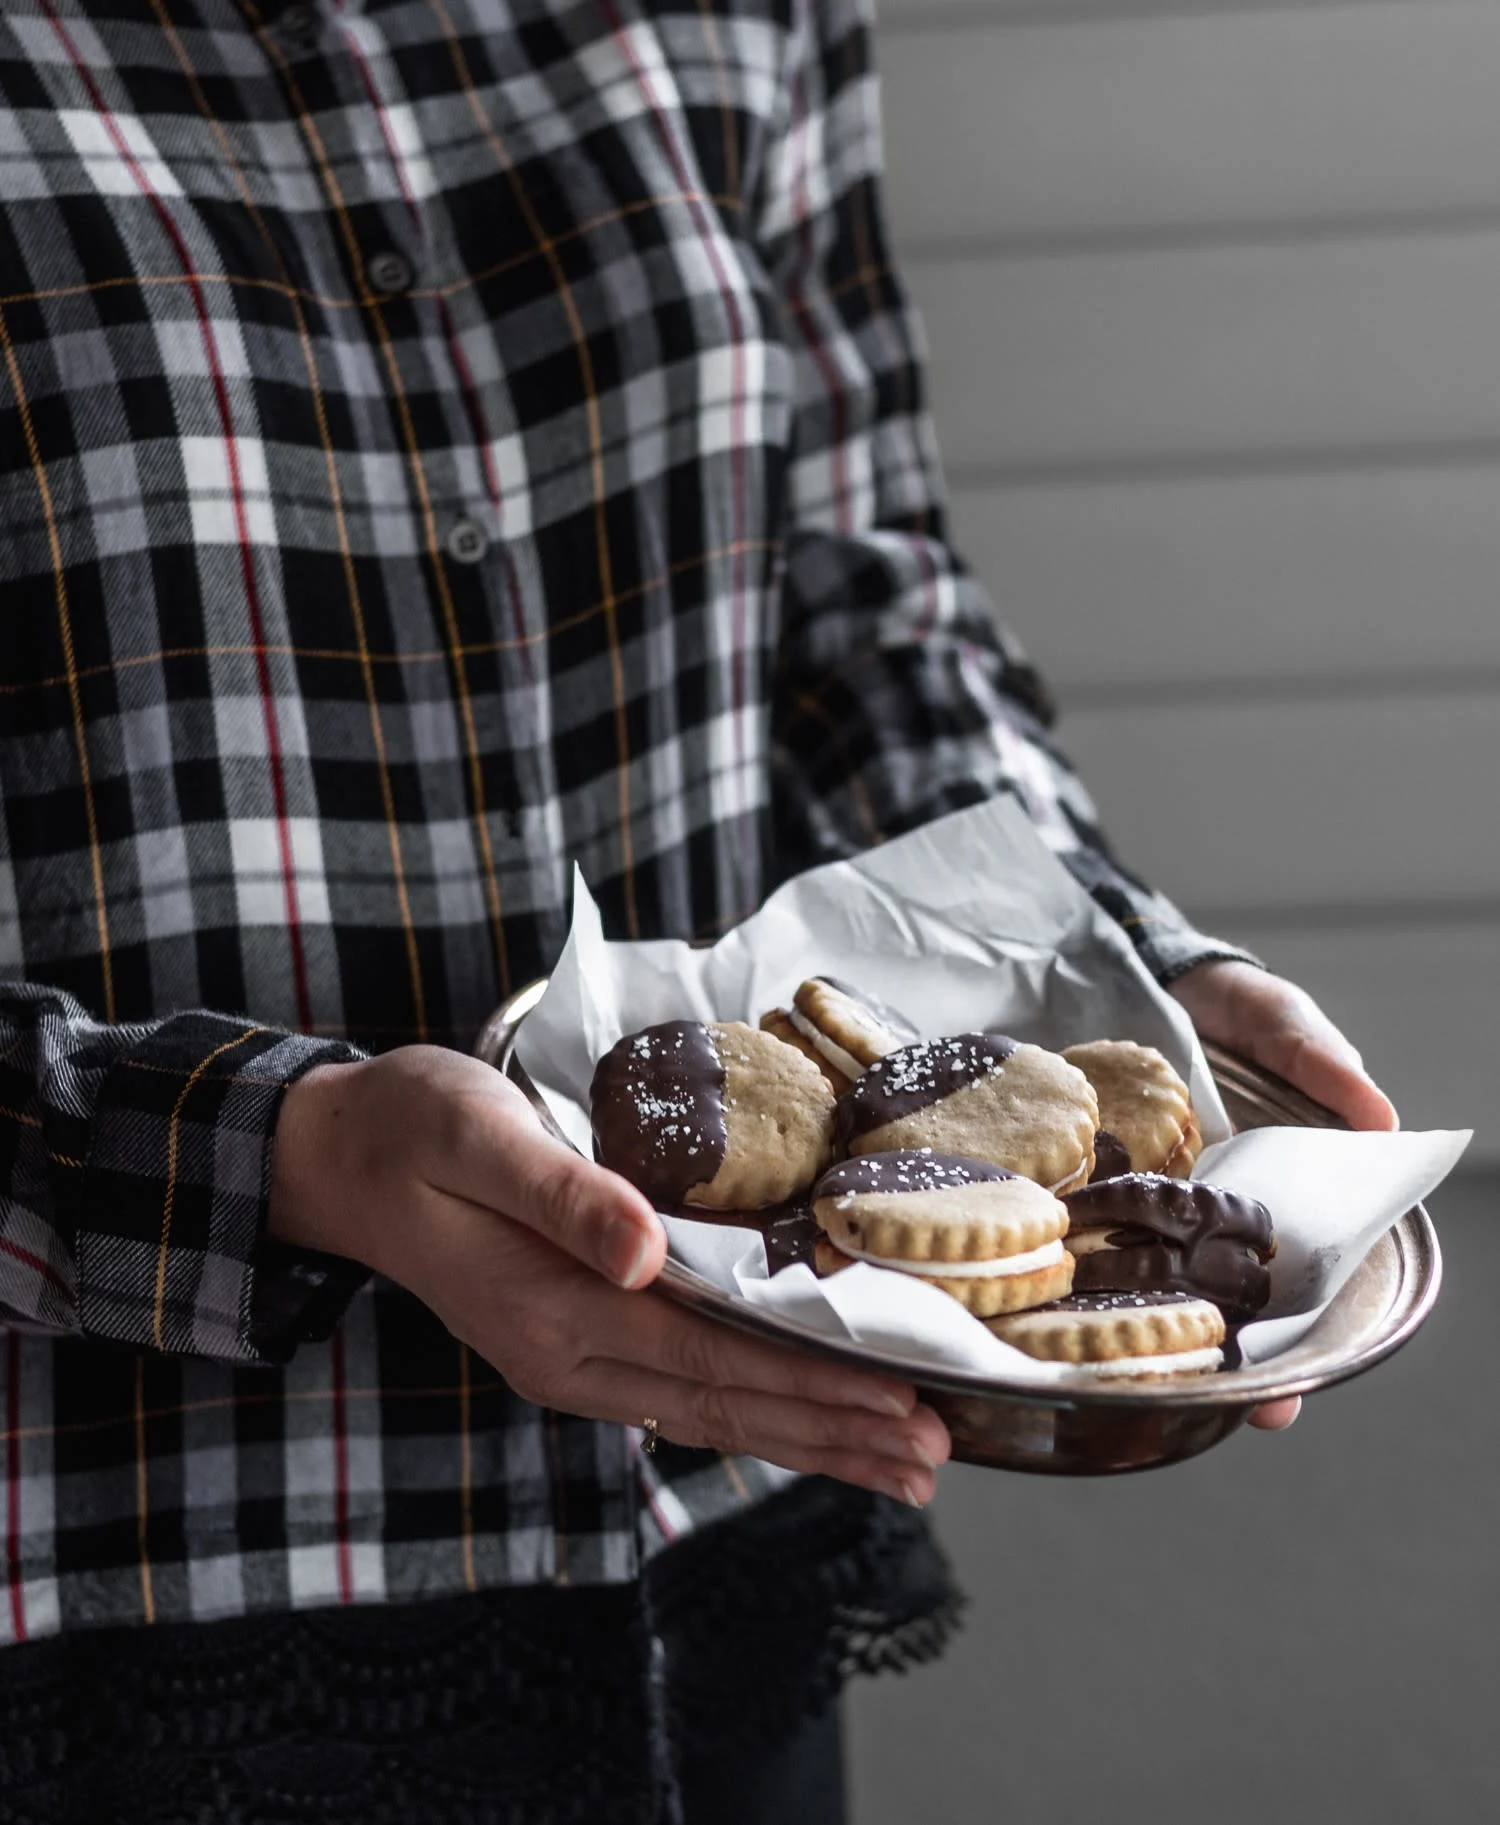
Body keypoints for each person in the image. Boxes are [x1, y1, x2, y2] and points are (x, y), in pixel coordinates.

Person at [0, 2, 1396, 1819]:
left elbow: (855, 597)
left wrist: (1109, 949)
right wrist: (279, 1151)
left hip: (705, 1528)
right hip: (124, 1598)